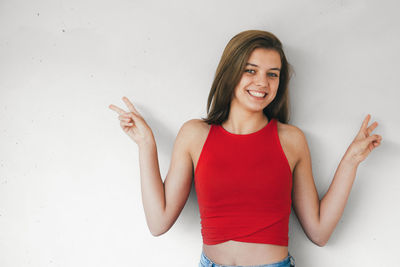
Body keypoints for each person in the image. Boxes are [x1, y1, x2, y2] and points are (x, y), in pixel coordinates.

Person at [109, 30, 382, 267]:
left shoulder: (291, 140)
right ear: (230, 73)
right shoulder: (194, 135)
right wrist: (146, 144)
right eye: (250, 70)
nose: (262, 82)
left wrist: (351, 161)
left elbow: (319, 232)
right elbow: (158, 222)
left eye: (272, 74)